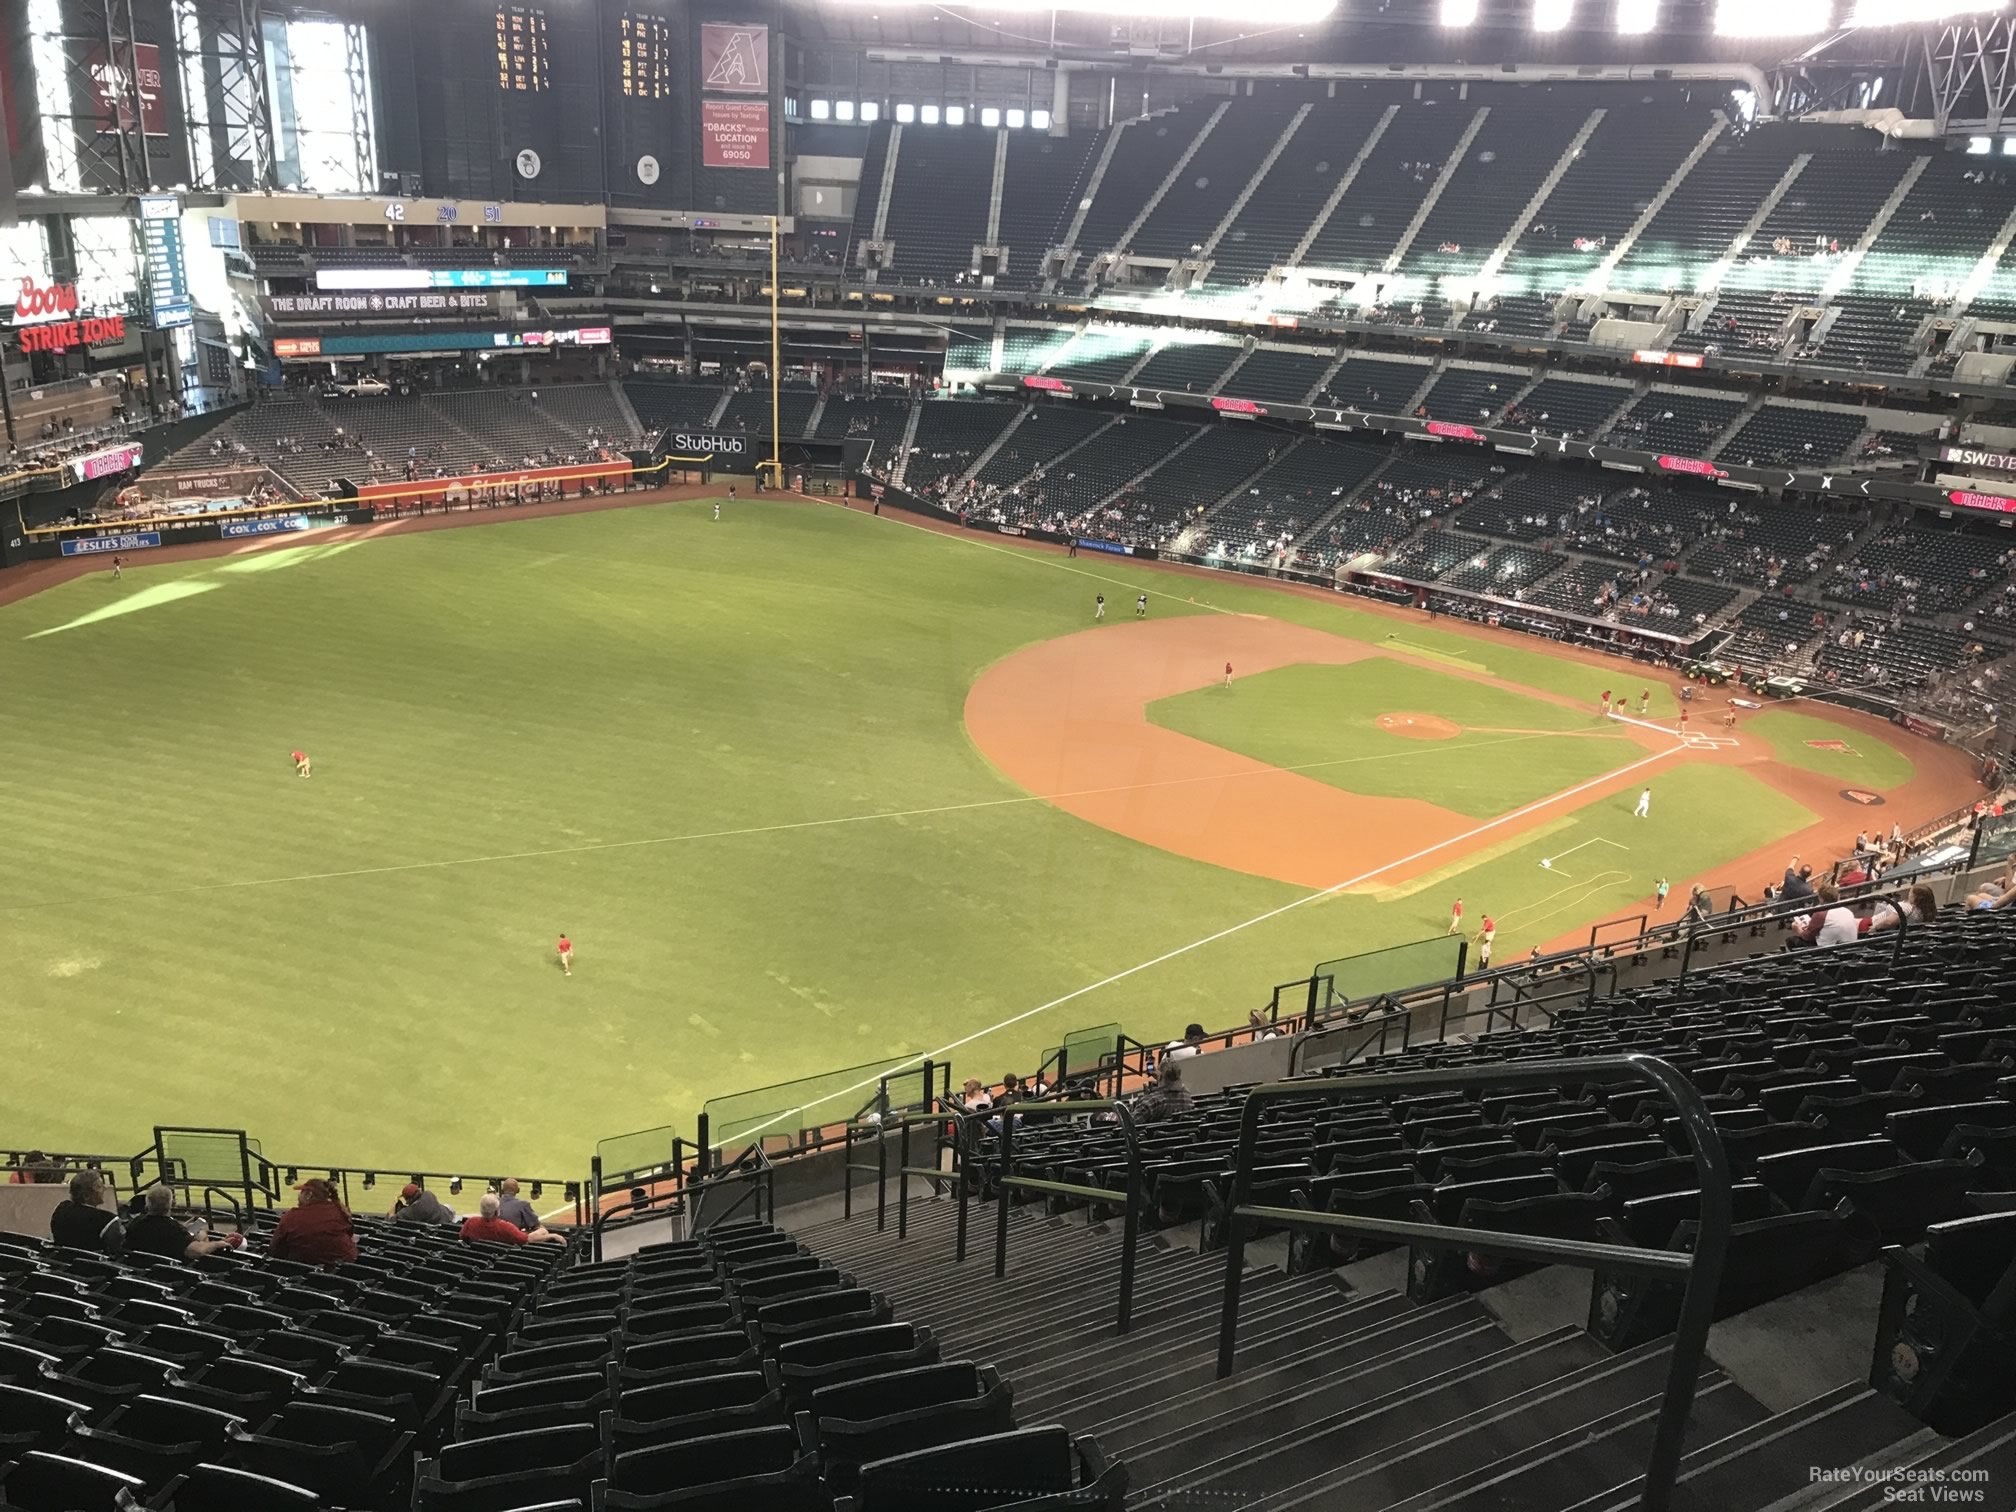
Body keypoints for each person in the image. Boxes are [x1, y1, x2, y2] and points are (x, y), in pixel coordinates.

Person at [124, 1185, 240, 1260]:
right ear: (171, 1204)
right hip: (168, 1274)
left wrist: (184, 1229)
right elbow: (196, 1251)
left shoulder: (136, 1223)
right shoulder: (174, 1230)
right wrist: (218, 1243)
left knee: (201, 1234)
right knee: (202, 1236)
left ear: (147, 1204)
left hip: (142, 1268)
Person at [270, 1179, 358, 1267]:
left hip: (304, 1270)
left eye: (302, 1192)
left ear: (308, 1195)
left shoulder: (292, 1216)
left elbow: (275, 1250)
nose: (299, 1195)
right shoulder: (339, 1210)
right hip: (346, 1267)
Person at [50, 1169, 124, 1253]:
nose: (104, 1189)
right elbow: (116, 1250)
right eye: (99, 1187)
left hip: (62, 1262)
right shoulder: (106, 1220)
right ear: (86, 1195)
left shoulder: (62, 1209)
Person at [460, 1191, 560, 1245]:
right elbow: (527, 1239)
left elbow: (462, 1237)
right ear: (497, 1210)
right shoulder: (506, 1227)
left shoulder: (470, 1223)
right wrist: (552, 1235)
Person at [1868, 885, 1937, 933]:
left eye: (1910, 892)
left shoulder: (1907, 908)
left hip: (1874, 924)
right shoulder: (1924, 911)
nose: (1909, 894)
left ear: (1915, 896)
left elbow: (1889, 922)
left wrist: (1875, 927)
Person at [391, 1181, 457, 1224]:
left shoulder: (409, 1212)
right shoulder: (428, 1194)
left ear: (408, 1200)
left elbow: (390, 1220)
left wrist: (393, 1204)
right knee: (448, 1206)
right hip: (446, 1217)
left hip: (438, 1223)